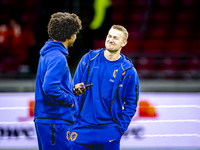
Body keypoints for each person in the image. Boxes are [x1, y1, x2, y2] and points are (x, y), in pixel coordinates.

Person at [71, 25, 139, 150]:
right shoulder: (89, 59)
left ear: (124, 43)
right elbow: (73, 91)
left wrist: (119, 130)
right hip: (81, 129)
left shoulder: (128, 71)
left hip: (109, 132)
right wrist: (75, 91)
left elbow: (131, 104)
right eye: (109, 36)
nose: (110, 40)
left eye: (115, 38)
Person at [34, 12, 84, 150]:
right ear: (70, 35)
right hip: (55, 120)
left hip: (48, 119)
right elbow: (49, 87)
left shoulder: (48, 53)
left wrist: (71, 89)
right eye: (75, 32)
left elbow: (53, 85)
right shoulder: (58, 57)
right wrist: (71, 99)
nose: (76, 36)